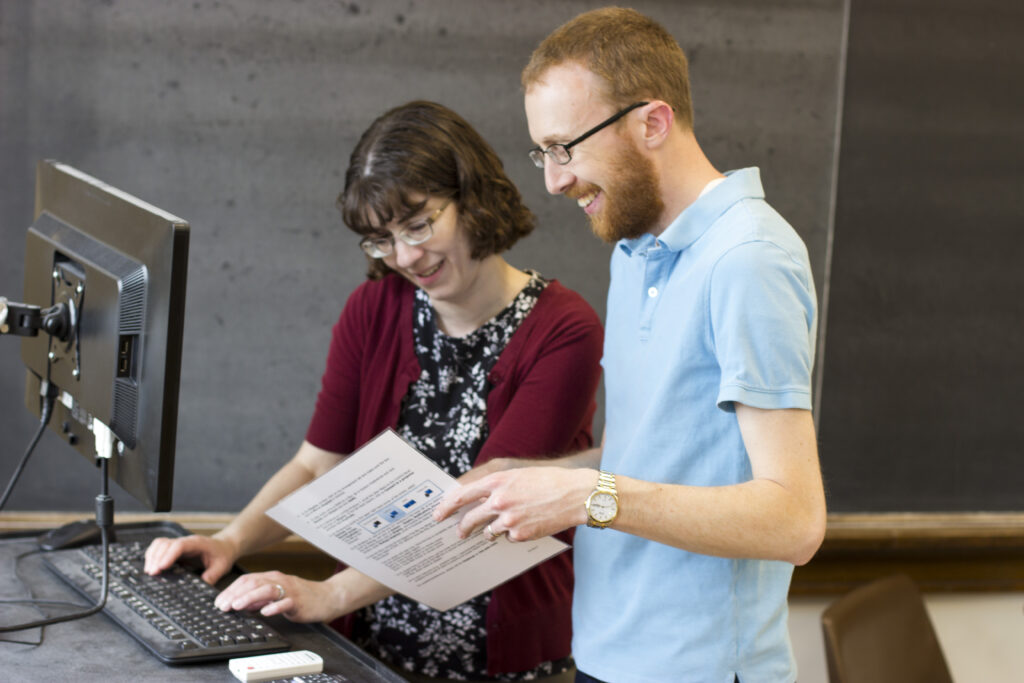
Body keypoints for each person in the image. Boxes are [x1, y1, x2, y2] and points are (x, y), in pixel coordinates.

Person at [144, 100, 603, 682]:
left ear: (473, 198)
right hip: (371, 639)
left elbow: (485, 508)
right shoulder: (374, 308)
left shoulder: (565, 329)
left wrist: (332, 595)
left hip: (502, 656)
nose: (405, 257)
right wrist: (231, 542)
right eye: (381, 239)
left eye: (418, 225)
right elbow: (317, 467)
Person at [432, 9, 826, 683]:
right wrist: (541, 477)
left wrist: (589, 495)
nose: (554, 179)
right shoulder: (634, 250)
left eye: (566, 147)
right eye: (543, 152)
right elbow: (659, 453)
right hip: (608, 653)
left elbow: (794, 518)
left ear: (652, 122)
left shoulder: (749, 258)